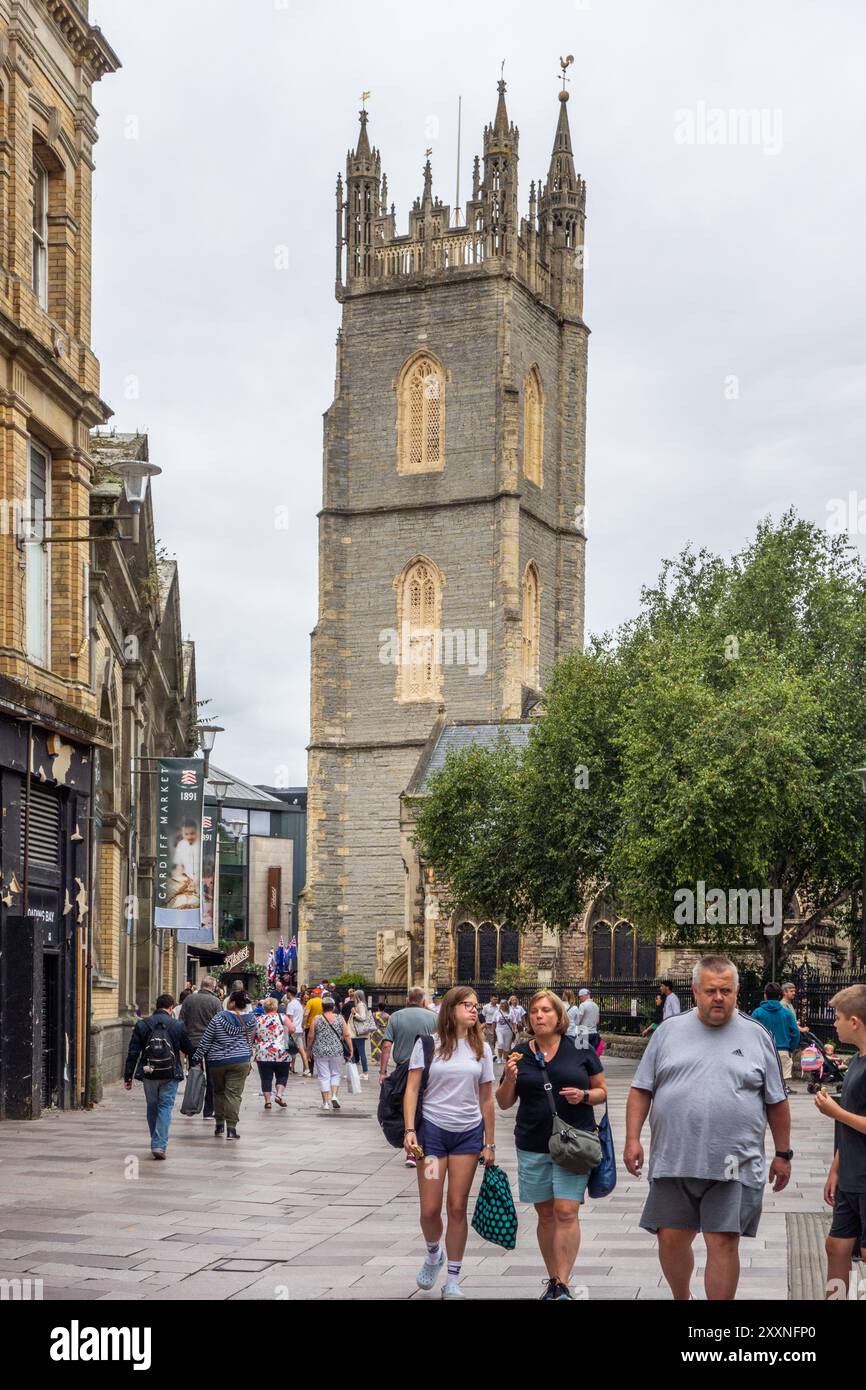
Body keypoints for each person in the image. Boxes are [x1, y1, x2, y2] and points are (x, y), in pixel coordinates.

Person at [624, 955, 791, 1301]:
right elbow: (641, 1089)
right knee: (670, 1236)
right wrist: (631, 1139)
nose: (719, 997)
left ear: (737, 992)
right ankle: (682, 1297)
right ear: (695, 991)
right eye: (712, 990)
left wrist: (783, 1154)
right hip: (674, 1159)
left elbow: (776, 1100)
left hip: (735, 1162)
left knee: (723, 1239)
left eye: (726, 991)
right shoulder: (668, 1032)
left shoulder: (757, 1035)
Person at [496, 989, 606, 1300]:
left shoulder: (580, 1048)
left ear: (559, 1016)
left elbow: (601, 1091)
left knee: (567, 1209)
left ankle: (564, 1282)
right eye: (534, 1011)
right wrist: (508, 1078)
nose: (539, 1016)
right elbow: (504, 1103)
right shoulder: (519, 1053)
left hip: (574, 1140)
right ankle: (554, 1279)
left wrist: (583, 1096)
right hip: (532, 1141)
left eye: (545, 1010)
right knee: (545, 1213)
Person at [404, 986, 495, 1300]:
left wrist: (490, 1143)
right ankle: (433, 1254)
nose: (474, 1010)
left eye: (476, 1006)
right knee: (430, 1209)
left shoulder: (482, 1047)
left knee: (457, 1207)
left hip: (467, 1136)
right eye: (467, 1005)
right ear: (451, 1008)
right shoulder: (429, 1044)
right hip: (432, 1136)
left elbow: (486, 1098)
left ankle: (454, 1278)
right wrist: (408, 1129)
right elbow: (412, 1089)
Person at [817, 984, 866, 1298]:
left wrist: (835, 1112)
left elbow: (851, 1117)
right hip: (851, 1173)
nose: (833, 1023)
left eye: (837, 1017)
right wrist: (836, 1167)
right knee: (836, 1246)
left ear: (855, 1022)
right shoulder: (857, 1061)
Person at [123, 994, 193, 1160]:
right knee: (165, 1107)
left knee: (152, 1106)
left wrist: (128, 1076)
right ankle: (159, 1144)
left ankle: (156, 1139)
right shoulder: (177, 1025)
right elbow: (189, 1049)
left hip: (149, 1072)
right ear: (170, 1008)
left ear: (156, 1006)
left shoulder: (142, 1024)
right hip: (170, 1073)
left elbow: (133, 1052)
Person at [192, 989, 259, 1140]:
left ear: (233, 1003)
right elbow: (253, 1038)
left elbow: (206, 1040)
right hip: (241, 1060)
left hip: (217, 1061)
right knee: (233, 1094)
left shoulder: (219, 1018)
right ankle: (231, 1129)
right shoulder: (251, 1019)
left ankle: (219, 1125)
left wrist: (196, 1057)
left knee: (219, 1092)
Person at [180, 974, 222, 1119]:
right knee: (212, 1077)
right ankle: (208, 1111)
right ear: (213, 986)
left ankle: (191, 1105)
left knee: (194, 1074)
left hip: (192, 1043)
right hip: (211, 1044)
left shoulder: (189, 999)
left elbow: (181, 1021)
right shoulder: (215, 1001)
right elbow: (220, 1023)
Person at [751, 982, 801, 1094]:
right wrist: (790, 1048)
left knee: (762, 1085)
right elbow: (796, 1033)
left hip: (762, 1051)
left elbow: (751, 1032)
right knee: (780, 1087)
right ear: (780, 996)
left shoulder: (757, 1012)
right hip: (783, 1050)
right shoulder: (787, 1013)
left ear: (765, 995)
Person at [309, 996, 352, 1110]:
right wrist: (351, 1049)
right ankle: (334, 1095)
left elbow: (311, 1036)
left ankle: (325, 1103)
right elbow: (346, 1035)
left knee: (323, 1076)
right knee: (335, 1074)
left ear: (322, 1007)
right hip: (337, 1050)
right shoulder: (340, 1018)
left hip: (320, 1050)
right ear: (333, 1007)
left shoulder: (317, 1018)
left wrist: (309, 1050)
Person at [253, 997, 292, 1109]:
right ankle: (279, 1095)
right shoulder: (282, 1017)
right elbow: (292, 1028)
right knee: (282, 1075)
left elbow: (252, 1035)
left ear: (265, 1007)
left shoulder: (258, 1019)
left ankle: (267, 1101)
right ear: (276, 1006)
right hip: (281, 1051)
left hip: (263, 1052)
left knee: (266, 1077)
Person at [348, 987, 372, 1079]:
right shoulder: (360, 1005)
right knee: (354, 1052)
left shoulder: (361, 1005)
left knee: (360, 1053)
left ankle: (365, 1073)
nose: (353, 998)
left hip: (358, 1034)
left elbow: (363, 1017)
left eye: (354, 996)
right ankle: (354, 1073)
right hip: (355, 1033)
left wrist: (354, 1013)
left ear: (358, 996)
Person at [284, 985, 307, 1076]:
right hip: (299, 1029)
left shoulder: (291, 1004)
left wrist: (288, 1029)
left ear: (289, 993)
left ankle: (307, 1068)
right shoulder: (298, 1004)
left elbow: (290, 1019)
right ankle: (293, 1067)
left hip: (293, 1030)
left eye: (286, 992)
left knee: (299, 1049)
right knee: (294, 1049)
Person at [494, 997, 516, 1062]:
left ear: (506, 1005)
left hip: (508, 1031)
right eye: (501, 1004)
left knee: (506, 1045)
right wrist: (493, 1031)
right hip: (499, 1030)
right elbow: (494, 1022)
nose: (502, 1005)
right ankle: (499, 1058)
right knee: (500, 1043)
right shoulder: (497, 1012)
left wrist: (514, 1029)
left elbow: (514, 1021)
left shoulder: (510, 1012)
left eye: (503, 1004)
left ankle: (504, 1058)